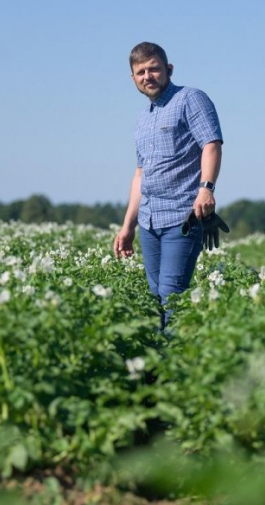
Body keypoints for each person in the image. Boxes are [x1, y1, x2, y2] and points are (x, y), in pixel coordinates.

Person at [113, 42, 224, 329]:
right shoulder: (142, 120)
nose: (148, 76)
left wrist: (206, 188)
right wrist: (128, 226)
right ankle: (157, 367)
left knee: (171, 296)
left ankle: (176, 366)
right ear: (133, 78)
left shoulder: (191, 99)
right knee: (153, 300)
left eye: (154, 69)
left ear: (168, 70)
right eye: (141, 72)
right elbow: (141, 175)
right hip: (149, 222)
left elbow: (211, 144)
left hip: (182, 217)